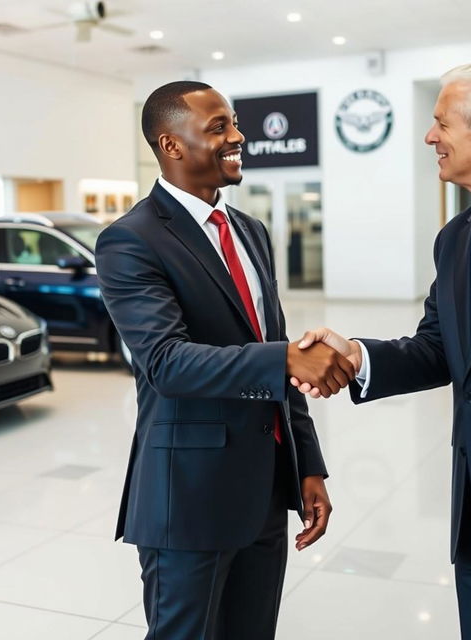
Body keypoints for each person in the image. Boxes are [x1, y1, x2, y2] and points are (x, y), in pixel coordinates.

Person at [291, 62, 471, 639]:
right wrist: (355, 356)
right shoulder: (455, 238)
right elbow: (440, 349)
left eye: (440, 123)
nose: (430, 137)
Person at [95, 81, 355, 640]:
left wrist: (307, 466)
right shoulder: (131, 240)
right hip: (188, 499)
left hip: (265, 489)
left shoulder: (251, 232)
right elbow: (167, 363)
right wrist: (284, 358)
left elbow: (278, 349)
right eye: (219, 127)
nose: (238, 137)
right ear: (170, 144)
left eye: (234, 123)